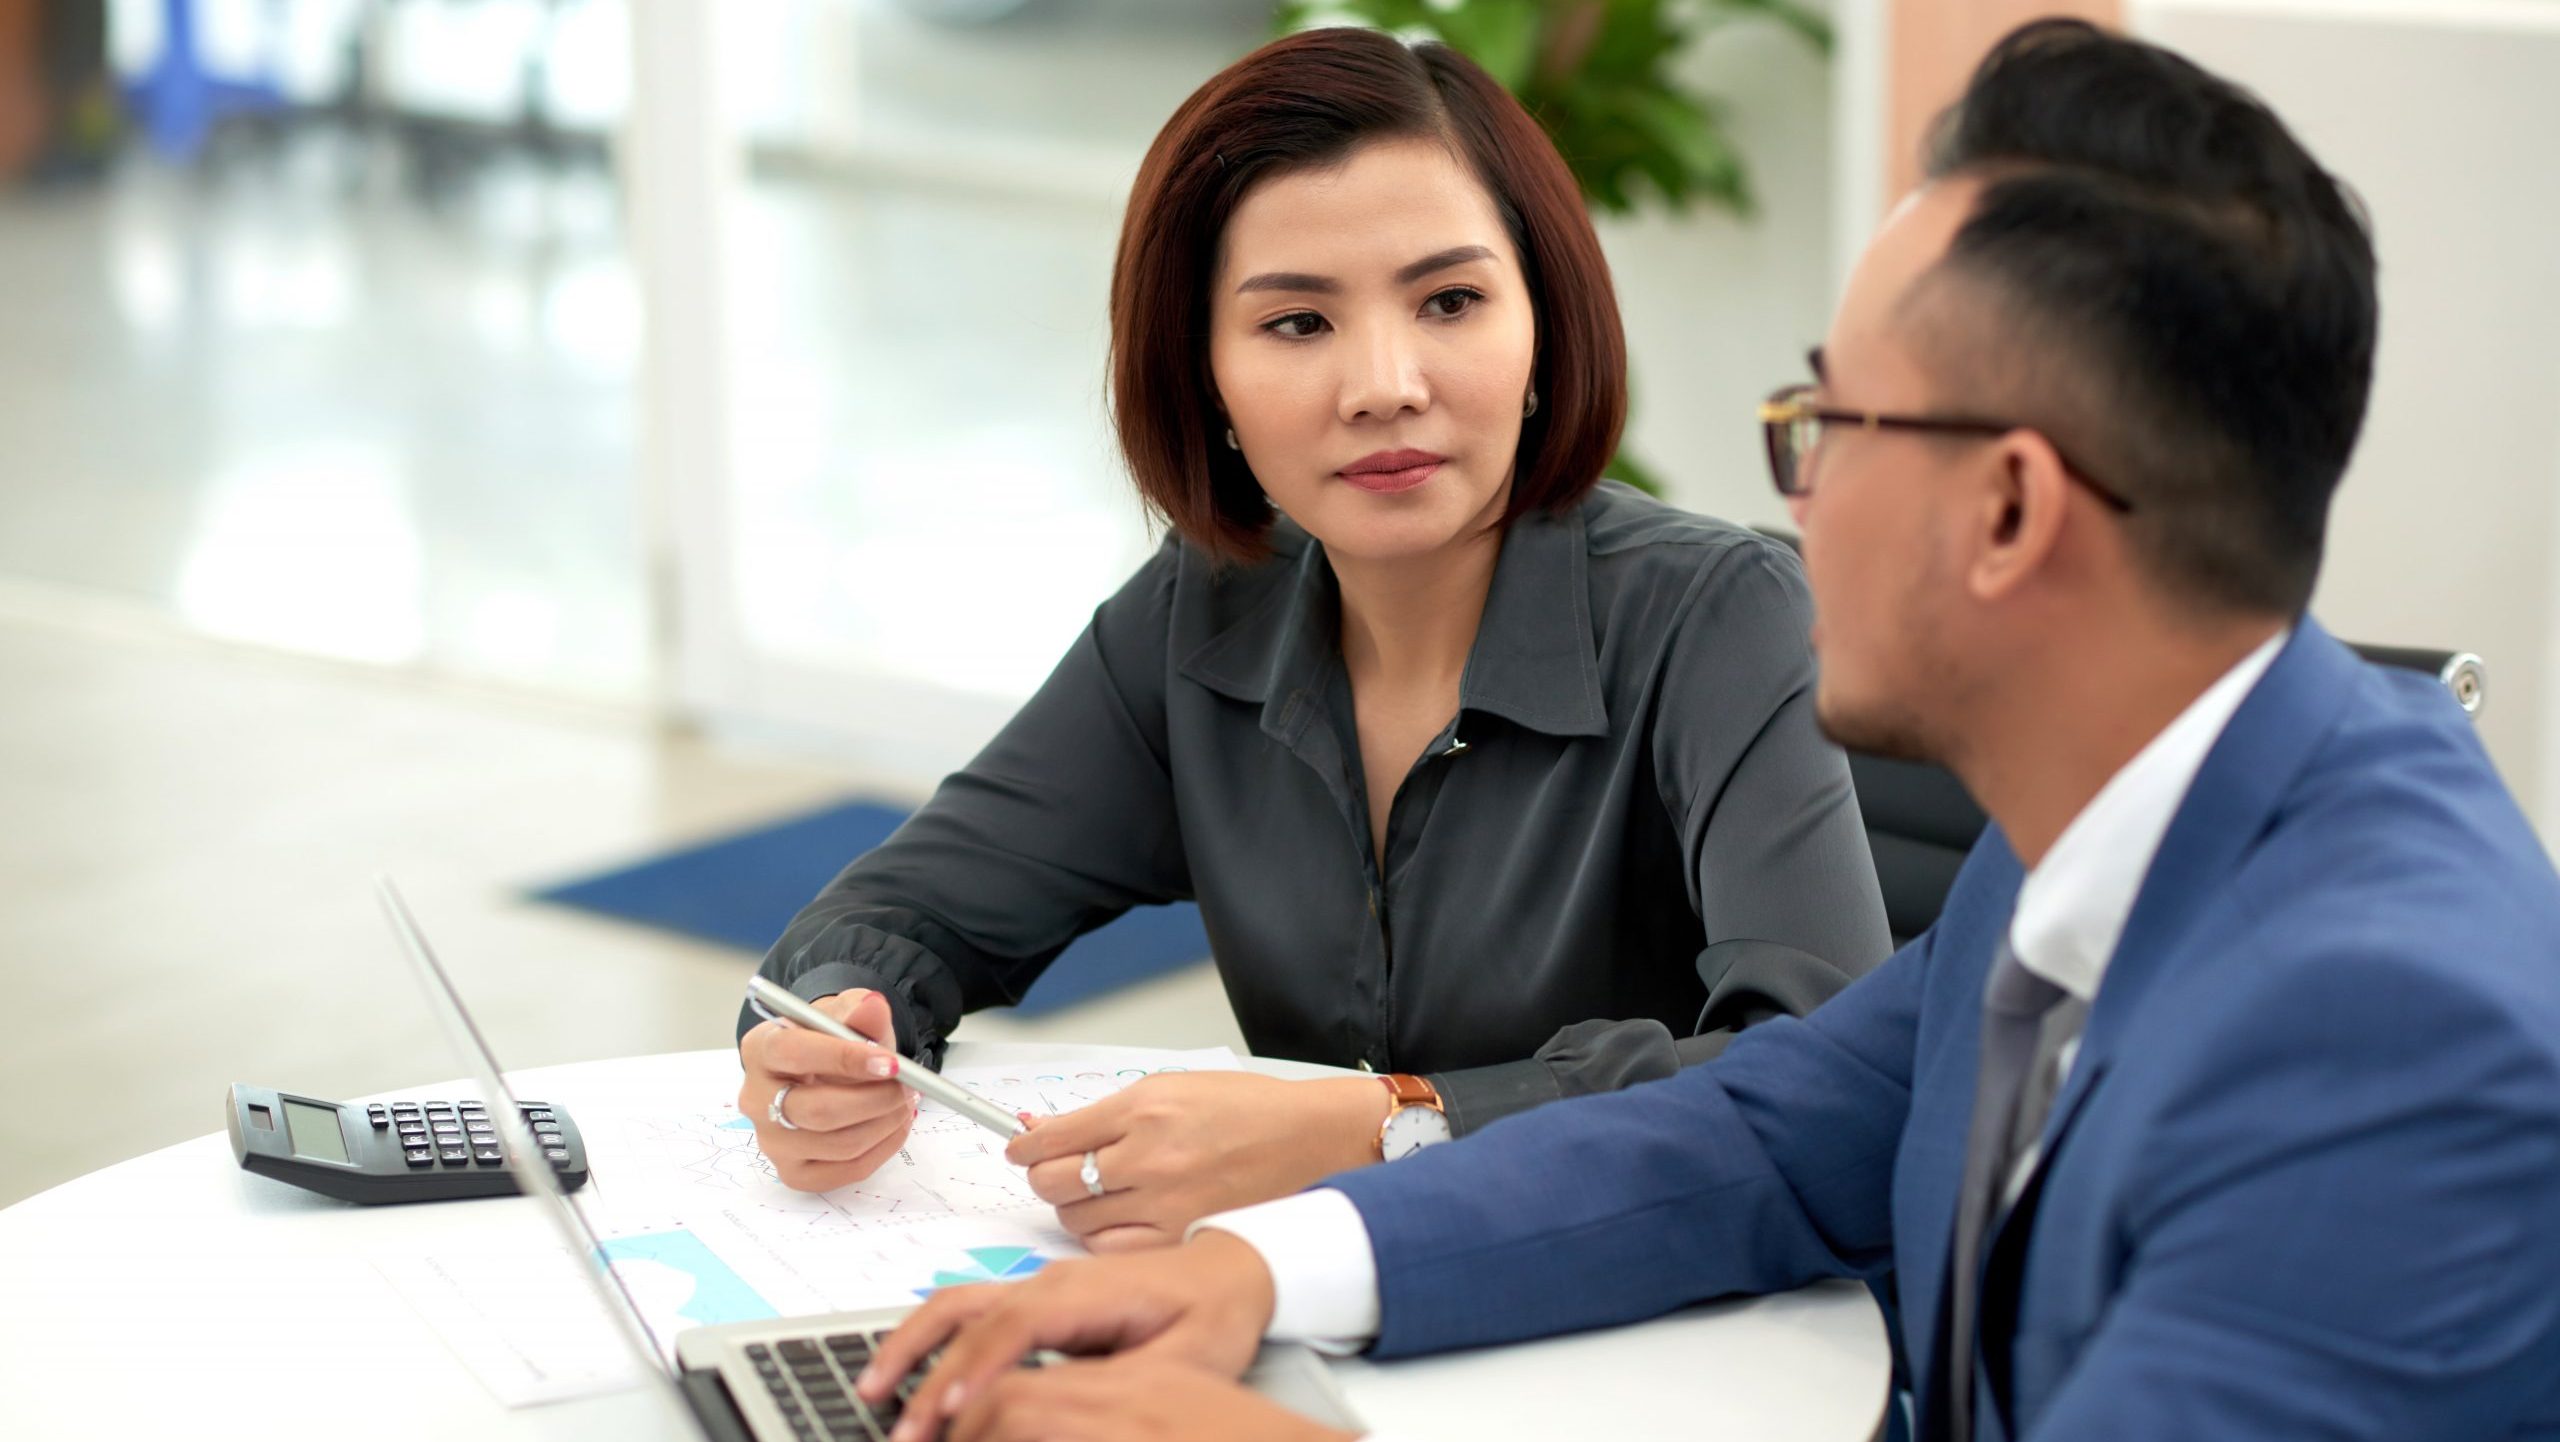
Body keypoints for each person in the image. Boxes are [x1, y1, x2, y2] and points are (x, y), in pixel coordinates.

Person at [854, 19, 2560, 1442]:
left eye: (1828, 427)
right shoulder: (2095, 838)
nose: (1787, 513)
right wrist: (1251, 1272)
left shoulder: (2389, 1041)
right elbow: (1753, 1130)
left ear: (2010, 507)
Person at [732, 26, 1891, 1248]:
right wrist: (834, 1028)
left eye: (1450, 300)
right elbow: (902, 913)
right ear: (1207, 380)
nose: (1383, 383)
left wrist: (1389, 1124)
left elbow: (1829, 1086)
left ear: (1542, 328)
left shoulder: (1721, 615)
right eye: (1297, 323)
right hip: (1325, 1313)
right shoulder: (1204, 605)